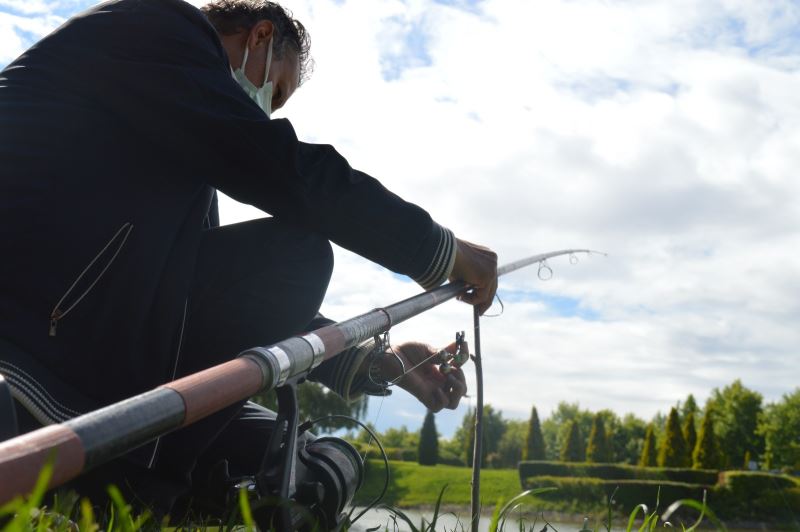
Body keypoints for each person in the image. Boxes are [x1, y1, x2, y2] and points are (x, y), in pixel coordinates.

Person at [0, 0, 497, 517]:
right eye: (275, 91)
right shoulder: (159, 27)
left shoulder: (171, 147)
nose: (266, 109)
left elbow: (208, 309)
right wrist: (439, 250)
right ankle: (132, 497)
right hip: (27, 337)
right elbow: (285, 170)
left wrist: (378, 363)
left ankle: (136, 476)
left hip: (83, 347)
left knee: (282, 457)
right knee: (296, 258)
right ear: (260, 37)